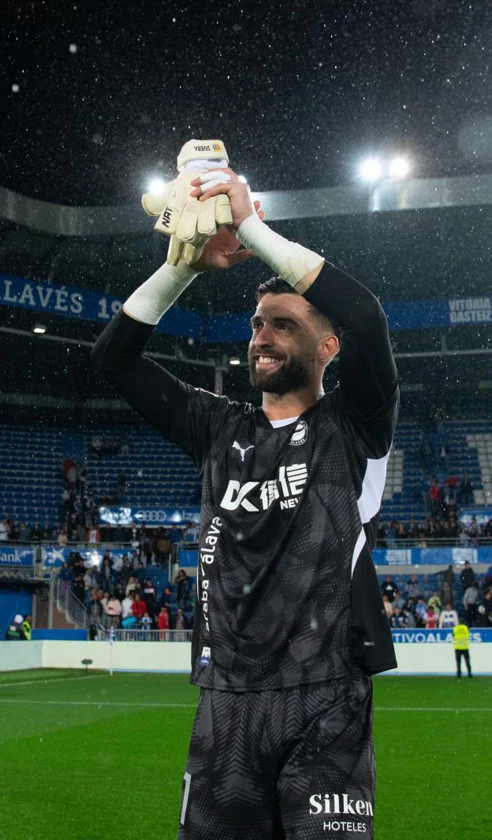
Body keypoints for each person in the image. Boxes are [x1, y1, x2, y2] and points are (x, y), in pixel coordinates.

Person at [93, 145, 396, 837]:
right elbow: (113, 360)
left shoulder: (352, 425)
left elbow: (368, 317)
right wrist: (181, 267)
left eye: (284, 325)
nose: (262, 337)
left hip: (325, 699)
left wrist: (252, 230)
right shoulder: (217, 427)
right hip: (224, 699)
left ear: (328, 348)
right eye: (258, 324)